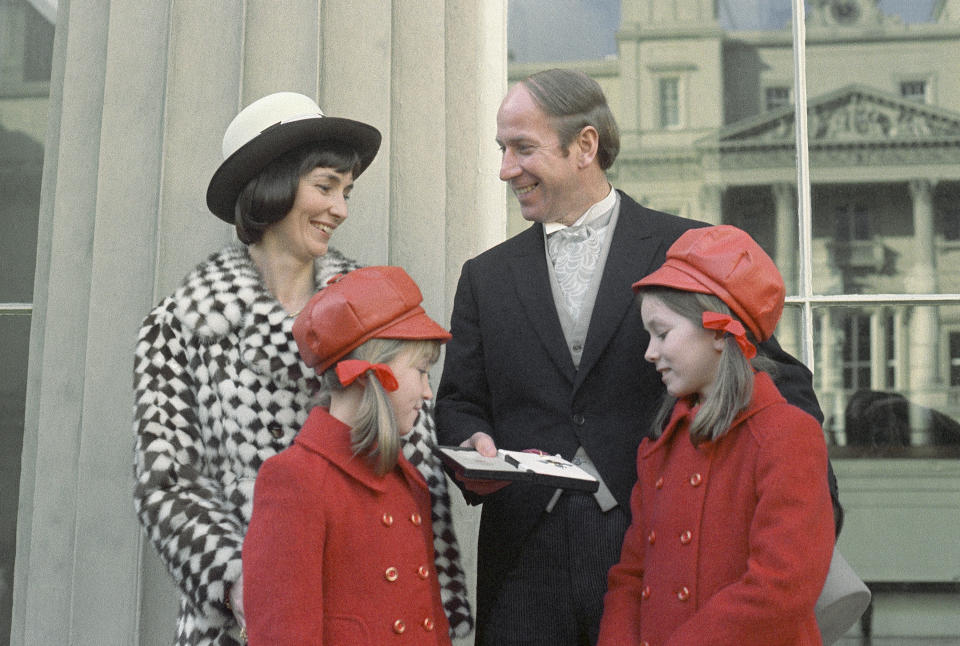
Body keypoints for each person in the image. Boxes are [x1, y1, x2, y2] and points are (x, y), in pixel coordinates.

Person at [435, 68, 838, 646]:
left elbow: (780, 383)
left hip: (650, 551)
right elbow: (459, 402)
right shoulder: (485, 277)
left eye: (523, 148)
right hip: (523, 553)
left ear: (585, 146)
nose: (506, 169)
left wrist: (808, 510)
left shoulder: (689, 248)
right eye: (502, 149)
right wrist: (472, 445)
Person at [133, 92, 471, 645]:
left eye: (346, 191)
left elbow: (415, 468)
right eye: (325, 186)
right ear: (273, 187)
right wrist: (240, 579)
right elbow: (166, 481)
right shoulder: (180, 326)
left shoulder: (376, 310)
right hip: (240, 616)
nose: (340, 208)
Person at [597, 225, 835, 645]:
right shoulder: (659, 447)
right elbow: (631, 577)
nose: (649, 352)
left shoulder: (787, 435)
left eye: (663, 333)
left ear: (722, 333)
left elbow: (781, 588)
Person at [243, 266, 455, 645]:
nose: (427, 392)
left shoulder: (406, 481)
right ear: (372, 372)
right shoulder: (294, 480)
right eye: (421, 371)